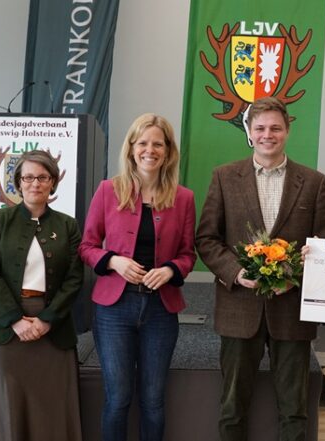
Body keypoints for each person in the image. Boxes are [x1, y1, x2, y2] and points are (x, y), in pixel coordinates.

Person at [195, 96, 325, 441]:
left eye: (275, 127)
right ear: (249, 131)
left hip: (292, 310)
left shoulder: (314, 182)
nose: (267, 135)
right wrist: (235, 272)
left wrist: (295, 276)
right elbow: (207, 238)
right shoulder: (225, 177)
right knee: (232, 408)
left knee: (294, 410)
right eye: (260, 128)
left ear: (287, 130)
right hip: (238, 309)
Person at [79, 113, 197, 441]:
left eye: (158, 144)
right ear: (131, 148)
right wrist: (113, 261)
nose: (150, 150)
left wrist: (171, 269)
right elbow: (86, 247)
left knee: (153, 400)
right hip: (114, 310)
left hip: (160, 310)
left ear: (168, 151)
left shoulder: (184, 198)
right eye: (142, 143)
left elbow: (188, 254)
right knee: (117, 398)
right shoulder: (108, 190)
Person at [0, 150, 83, 440]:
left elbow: (74, 278)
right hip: (3, 329)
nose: (35, 183)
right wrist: (14, 319)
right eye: (28, 177)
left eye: (43, 177)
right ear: (18, 182)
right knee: (5, 407)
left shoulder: (68, 225)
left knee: (50, 406)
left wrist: (47, 320)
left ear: (53, 182)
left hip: (52, 329)